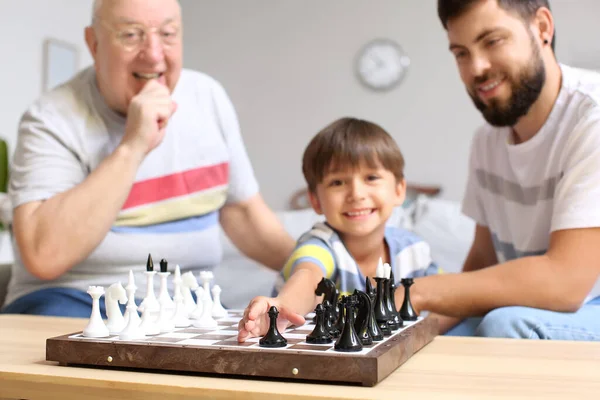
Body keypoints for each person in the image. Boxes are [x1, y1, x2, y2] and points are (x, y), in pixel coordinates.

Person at [0, 0, 295, 317]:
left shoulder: (207, 97)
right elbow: (45, 255)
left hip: (187, 306)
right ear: (93, 43)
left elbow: (243, 213)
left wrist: (318, 267)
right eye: (130, 35)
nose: (154, 55)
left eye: (168, 33)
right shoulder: (50, 118)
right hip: (72, 300)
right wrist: (133, 146)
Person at [406, 0, 600, 340]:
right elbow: (483, 260)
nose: (476, 68)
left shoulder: (591, 117)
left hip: (585, 301)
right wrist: (425, 326)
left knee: (504, 325)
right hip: (536, 307)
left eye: (492, 41)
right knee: (430, 342)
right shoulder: (488, 141)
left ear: (542, 28)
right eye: (461, 53)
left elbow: (567, 282)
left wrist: (422, 290)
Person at [237, 117, 441, 342]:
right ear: (315, 200)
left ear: (399, 190)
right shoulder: (320, 244)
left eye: (371, 178)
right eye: (337, 183)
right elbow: (308, 276)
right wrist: (284, 305)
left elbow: (440, 299)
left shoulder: (414, 249)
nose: (356, 194)